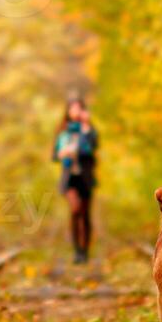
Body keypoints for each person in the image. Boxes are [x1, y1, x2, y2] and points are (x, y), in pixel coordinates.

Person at [53, 97, 99, 264]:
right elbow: (54, 155)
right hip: (69, 178)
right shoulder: (63, 132)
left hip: (85, 178)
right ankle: (77, 250)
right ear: (68, 111)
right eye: (73, 108)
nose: (76, 111)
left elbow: (93, 148)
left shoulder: (88, 130)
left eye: (79, 108)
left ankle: (84, 251)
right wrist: (62, 153)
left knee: (85, 215)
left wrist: (87, 128)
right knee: (75, 210)